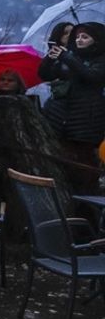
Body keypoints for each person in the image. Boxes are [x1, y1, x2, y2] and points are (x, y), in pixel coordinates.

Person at [39, 21, 105, 191]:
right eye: (77, 37)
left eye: (85, 37)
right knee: (62, 167)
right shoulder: (71, 56)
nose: (79, 40)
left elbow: (91, 76)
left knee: (84, 170)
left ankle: (87, 211)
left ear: (96, 40)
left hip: (86, 123)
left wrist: (67, 57)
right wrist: (50, 57)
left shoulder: (100, 59)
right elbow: (46, 75)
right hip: (61, 119)